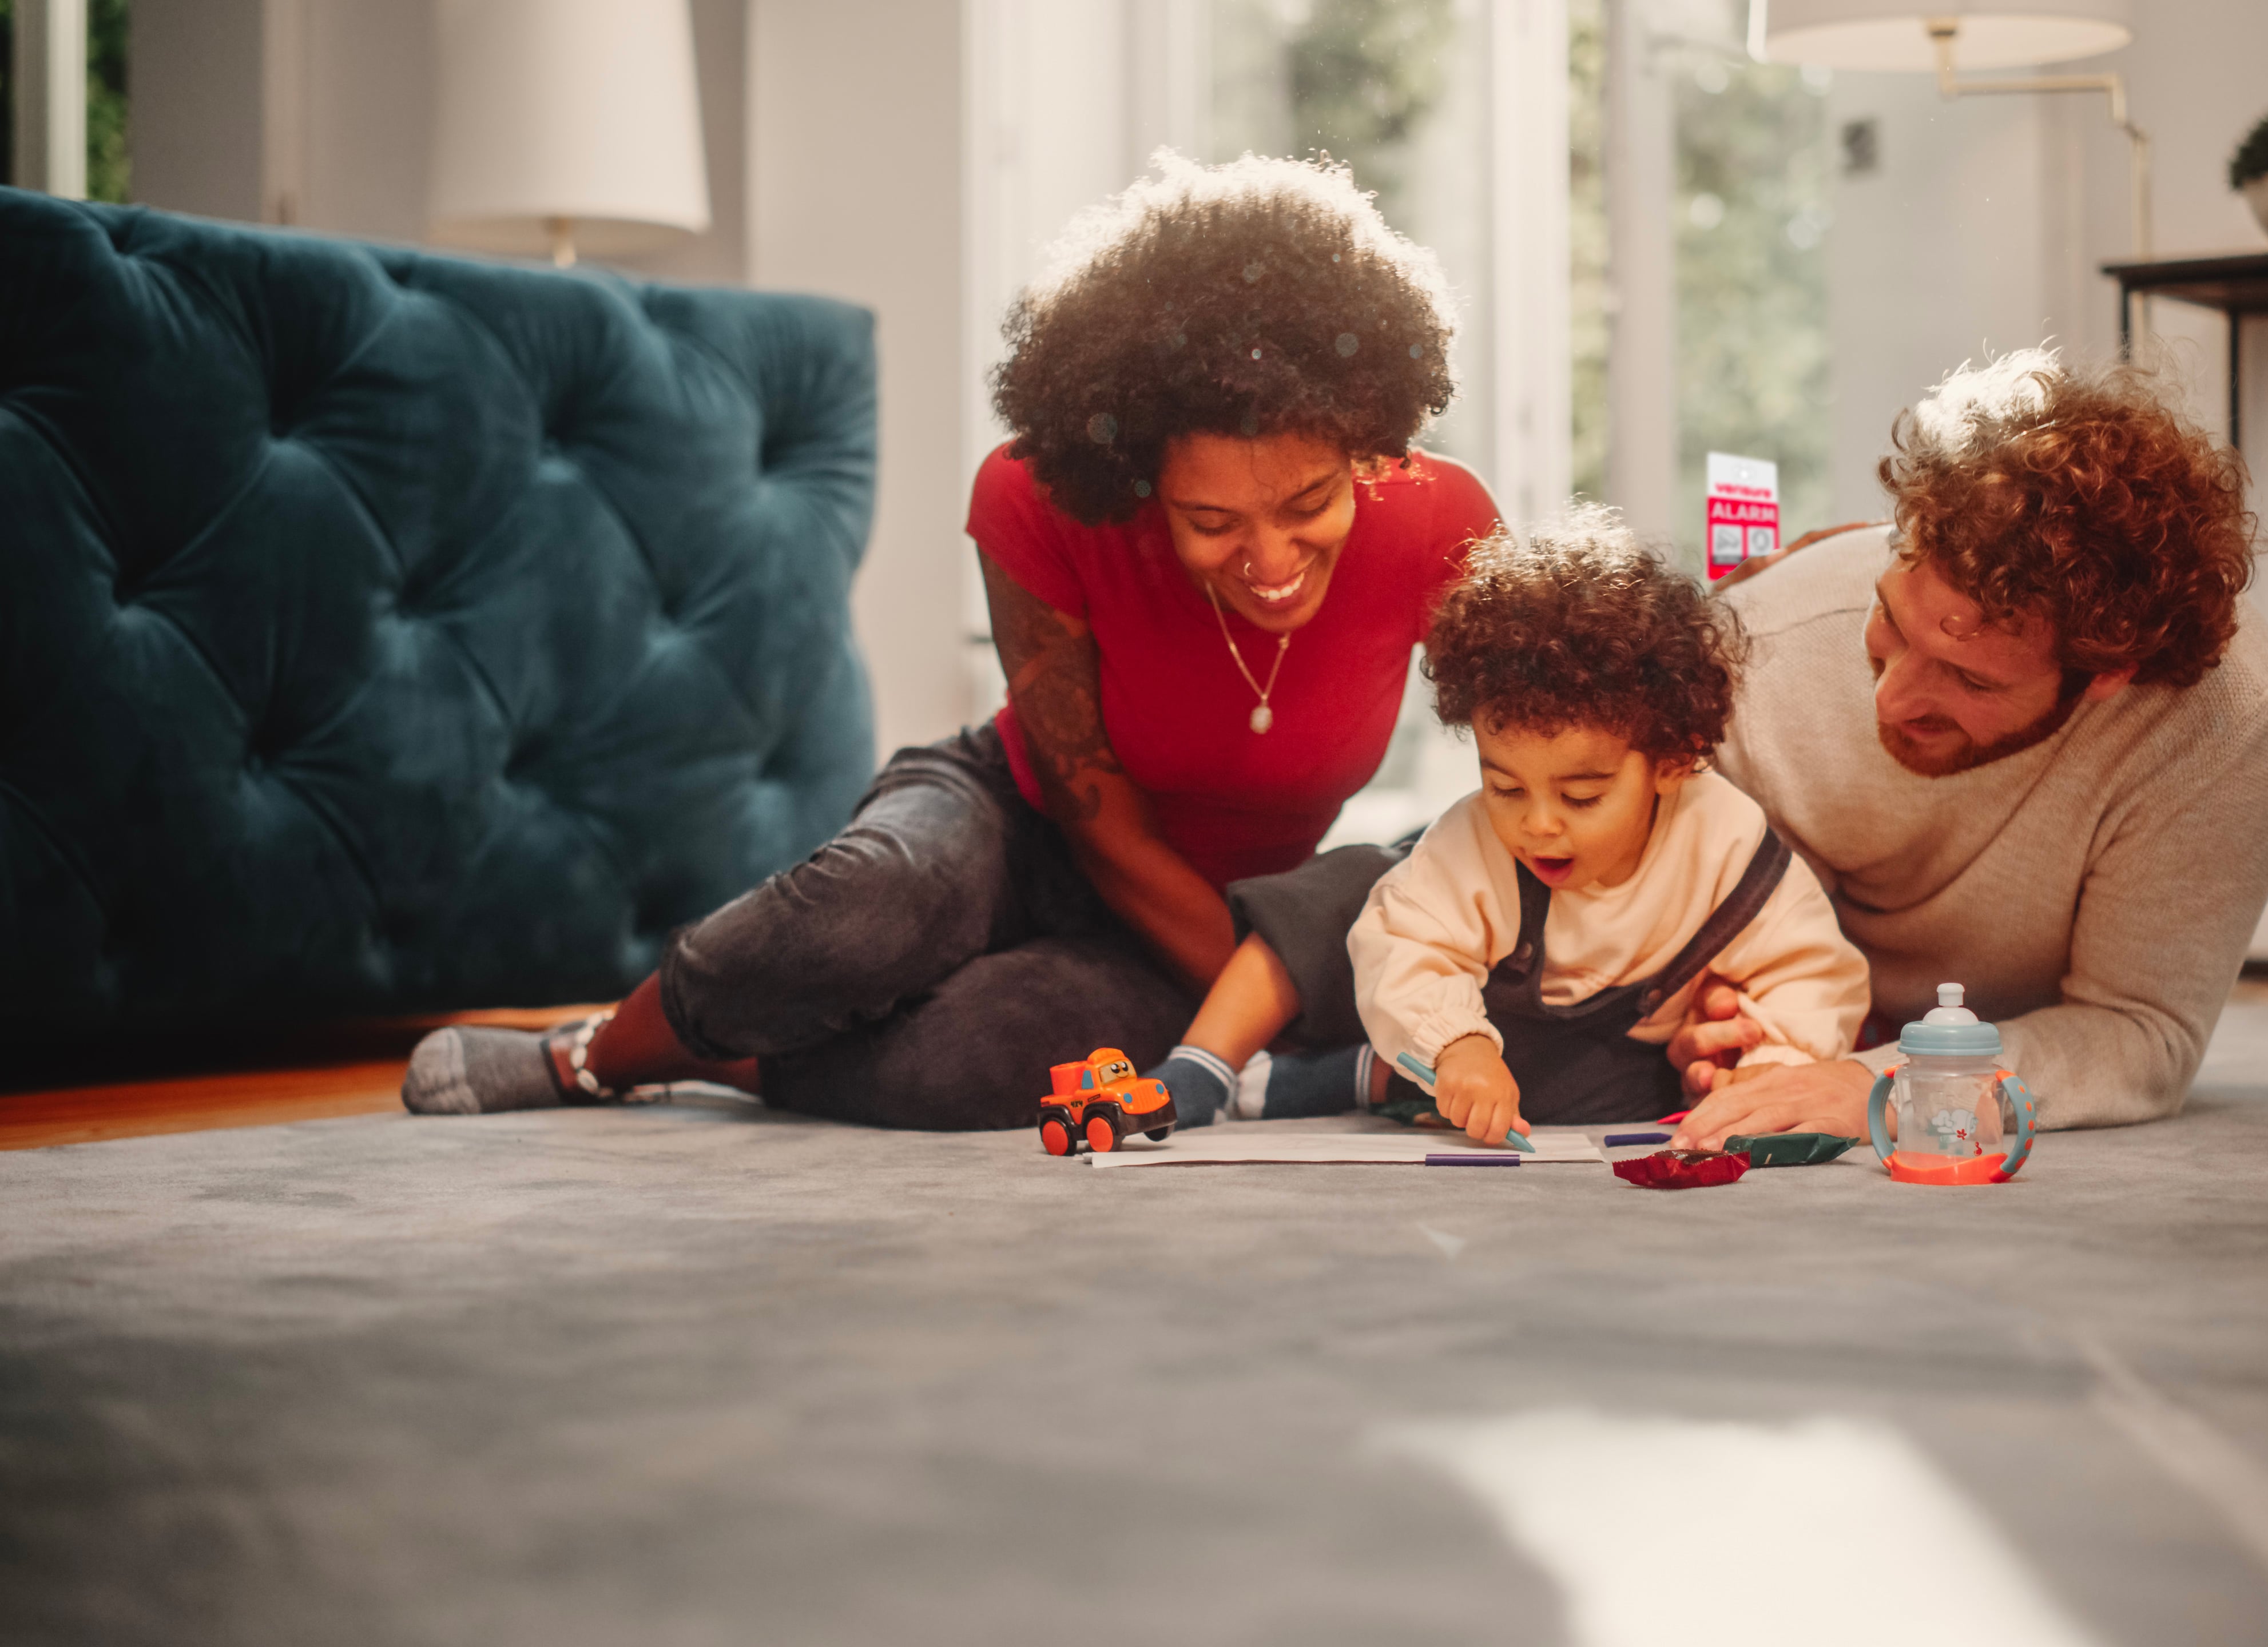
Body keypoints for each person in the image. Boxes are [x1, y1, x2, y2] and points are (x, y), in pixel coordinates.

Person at [399, 153, 1500, 1127]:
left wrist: (1282, 977)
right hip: (1015, 807)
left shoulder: (1440, 521)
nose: (1267, 557)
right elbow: (1092, 812)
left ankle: (737, 1061)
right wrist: (1285, 1009)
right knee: (859, 920)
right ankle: (589, 1056)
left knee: (958, 1068)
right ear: (1141, 478)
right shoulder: (1039, 496)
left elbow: (1542, 748)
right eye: (1211, 522)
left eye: (1307, 502)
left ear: (1367, 437)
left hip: (1205, 914)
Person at [1662, 348, 2268, 1150]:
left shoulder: (2234, 728)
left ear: (2108, 675)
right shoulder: (1761, 646)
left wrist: (1892, 1086)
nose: (1891, 699)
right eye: (1892, 624)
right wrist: (1717, 1005)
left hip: (1993, 1022)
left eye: (1970, 680)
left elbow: (2141, 1033)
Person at [1146, 511, 1869, 1146]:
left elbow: (1809, 973)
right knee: (1346, 892)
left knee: (1615, 1096)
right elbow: (1407, 947)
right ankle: (1206, 1067)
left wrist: (1769, 1068)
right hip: (1441, 1010)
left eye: (1582, 796)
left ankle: (1364, 1080)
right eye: (1504, 786)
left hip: (1576, 1048)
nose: (1536, 825)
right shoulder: (1477, 843)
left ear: (1673, 761)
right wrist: (1455, 1046)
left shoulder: (1728, 847)